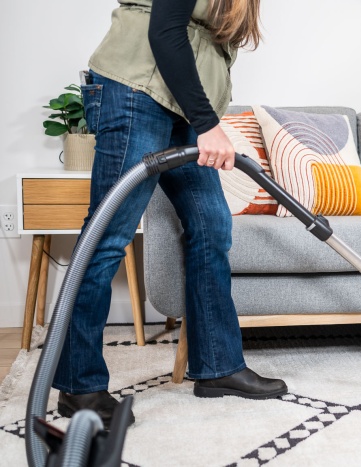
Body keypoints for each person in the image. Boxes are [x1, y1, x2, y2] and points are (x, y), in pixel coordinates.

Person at [52, 0, 287, 428]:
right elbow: (164, 30)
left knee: (211, 225)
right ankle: (77, 385)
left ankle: (218, 367)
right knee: (108, 236)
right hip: (137, 92)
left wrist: (201, 116)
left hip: (178, 101)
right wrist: (208, 123)